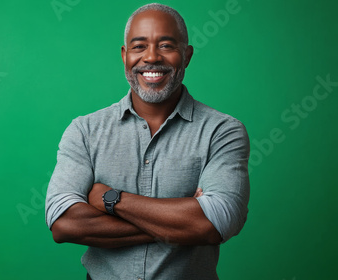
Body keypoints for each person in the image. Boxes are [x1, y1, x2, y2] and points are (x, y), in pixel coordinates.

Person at [45, 3, 250, 280]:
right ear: (124, 55)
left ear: (186, 56)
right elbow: (64, 224)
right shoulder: (84, 131)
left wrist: (110, 200)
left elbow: (215, 224)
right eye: (139, 46)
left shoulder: (223, 131)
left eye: (166, 45)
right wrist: (180, 225)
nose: (151, 57)